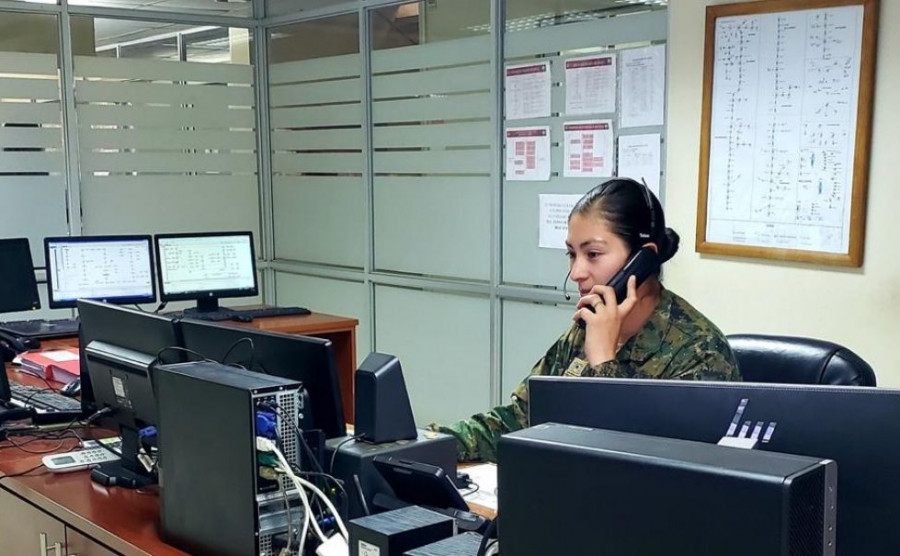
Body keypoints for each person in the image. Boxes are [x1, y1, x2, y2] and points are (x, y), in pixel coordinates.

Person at [433, 178, 741, 462]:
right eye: (572, 254)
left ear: (643, 259)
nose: (578, 271)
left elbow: (653, 466)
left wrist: (604, 361)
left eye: (593, 254)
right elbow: (521, 419)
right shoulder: (588, 327)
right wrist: (429, 442)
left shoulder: (701, 352)